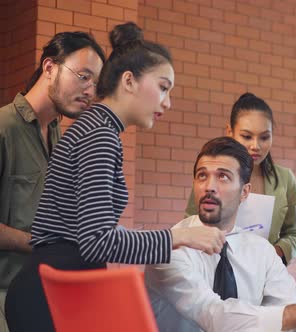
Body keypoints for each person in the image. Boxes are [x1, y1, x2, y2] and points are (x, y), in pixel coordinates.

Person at [4, 22, 225, 332]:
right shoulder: (101, 135)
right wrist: (179, 237)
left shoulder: (93, 127)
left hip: (50, 287)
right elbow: (97, 240)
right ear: (129, 81)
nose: (167, 102)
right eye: (163, 87)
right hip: (50, 296)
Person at [145, 136, 296, 332]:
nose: (209, 186)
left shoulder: (261, 251)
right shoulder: (170, 247)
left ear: (245, 192)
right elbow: (213, 316)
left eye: (223, 176)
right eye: (202, 176)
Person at [0, 31, 106, 332]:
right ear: (49, 67)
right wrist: (44, 243)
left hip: (45, 295)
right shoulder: (4, 129)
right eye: (83, 76)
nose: (90, 90)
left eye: (96, 83)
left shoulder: (63, 138)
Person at [185, 93, 296, 265]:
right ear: (230, 131)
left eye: (264, 137)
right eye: (247, 136)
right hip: (214, 265)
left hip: (263, 270)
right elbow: (191, 221)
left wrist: (276, 252)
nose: (256, 146)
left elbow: (294, 233)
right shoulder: (212, 173)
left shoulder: (285, 179)